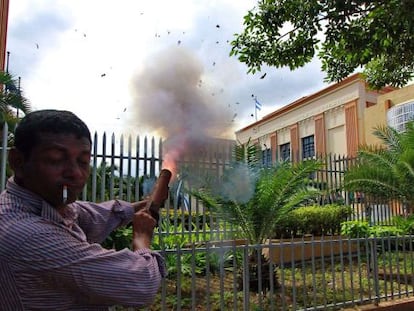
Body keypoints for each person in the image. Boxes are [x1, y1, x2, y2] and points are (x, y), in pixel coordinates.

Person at [0, 109, 166, 310]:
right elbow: (141, 284)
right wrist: (142, 237)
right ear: (17, 161)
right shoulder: (26, 234)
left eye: (83, 161)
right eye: (55, 159)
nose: (75, 173)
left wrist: (145, 205)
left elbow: (92, 215)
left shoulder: (45, 205)